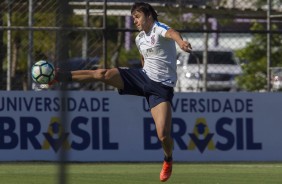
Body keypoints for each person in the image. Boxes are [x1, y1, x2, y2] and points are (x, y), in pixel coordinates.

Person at [54, 2, 192, 182]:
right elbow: (144, 58)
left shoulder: (159, 28)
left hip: (161, 87)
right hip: (142, 78)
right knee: (103, 73)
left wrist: (181, 42)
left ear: (149, 16)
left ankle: (168, 159)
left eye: (137, 16)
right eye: (133, 17)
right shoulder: (139, 38)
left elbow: (172, 33)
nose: (134, 20)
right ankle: (60, 76)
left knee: (163, 135)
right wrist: (142, 74)